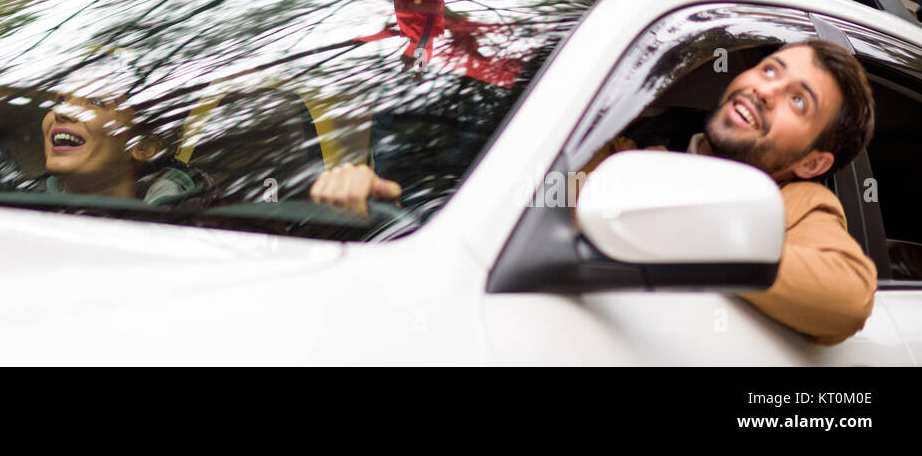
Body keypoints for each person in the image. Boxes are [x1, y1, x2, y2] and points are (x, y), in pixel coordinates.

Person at [311, 39, 879, 345]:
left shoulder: (799, 207)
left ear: (813, 160)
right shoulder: (626, 155)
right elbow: (516, 196)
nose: (765, 89)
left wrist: (696, 229)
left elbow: (848, 297)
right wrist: (380, 194)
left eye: (799, 100)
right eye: (771, 70)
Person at [0, 90, 214, 207]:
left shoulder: (191, 219)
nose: (64, 112)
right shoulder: (30, 201)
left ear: (145, 146)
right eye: (61, 100)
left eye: (95, 102)